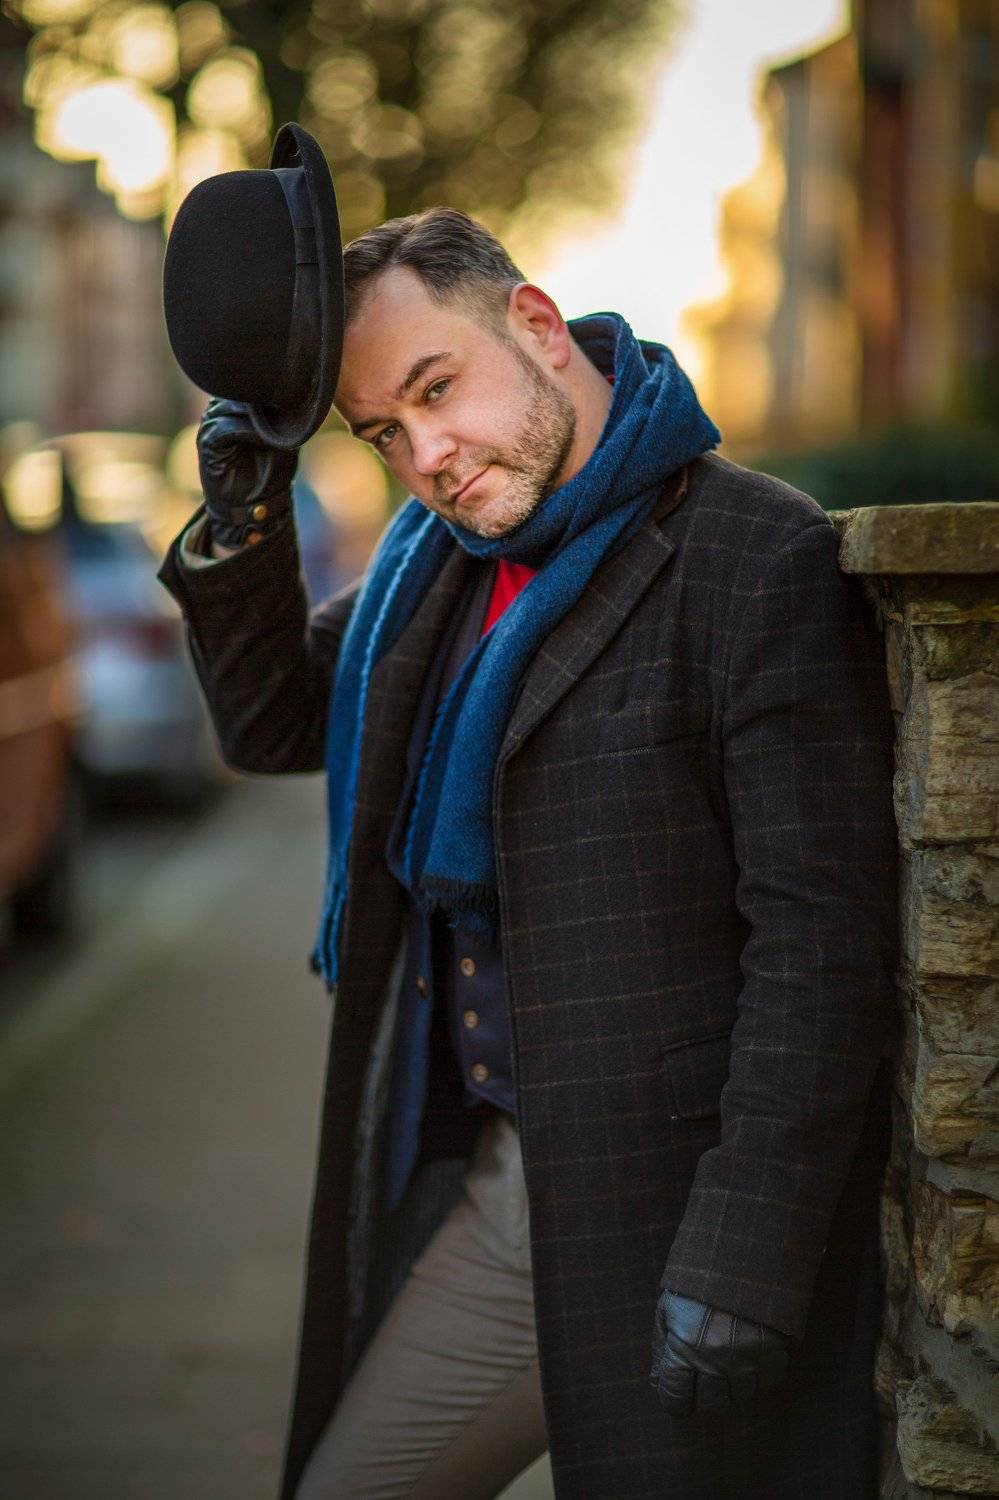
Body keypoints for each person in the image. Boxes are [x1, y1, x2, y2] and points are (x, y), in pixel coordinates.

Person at [158, 206, 899, 1500]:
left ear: (539, 326)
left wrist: (746, 1255)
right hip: (496, 1187)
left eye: (436, 388)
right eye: (383, 432)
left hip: (676, 1205)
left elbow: (823, 951)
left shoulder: (754, 555)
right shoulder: (435, 564)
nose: (428, 456)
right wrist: (246, 518)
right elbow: (275, 722)